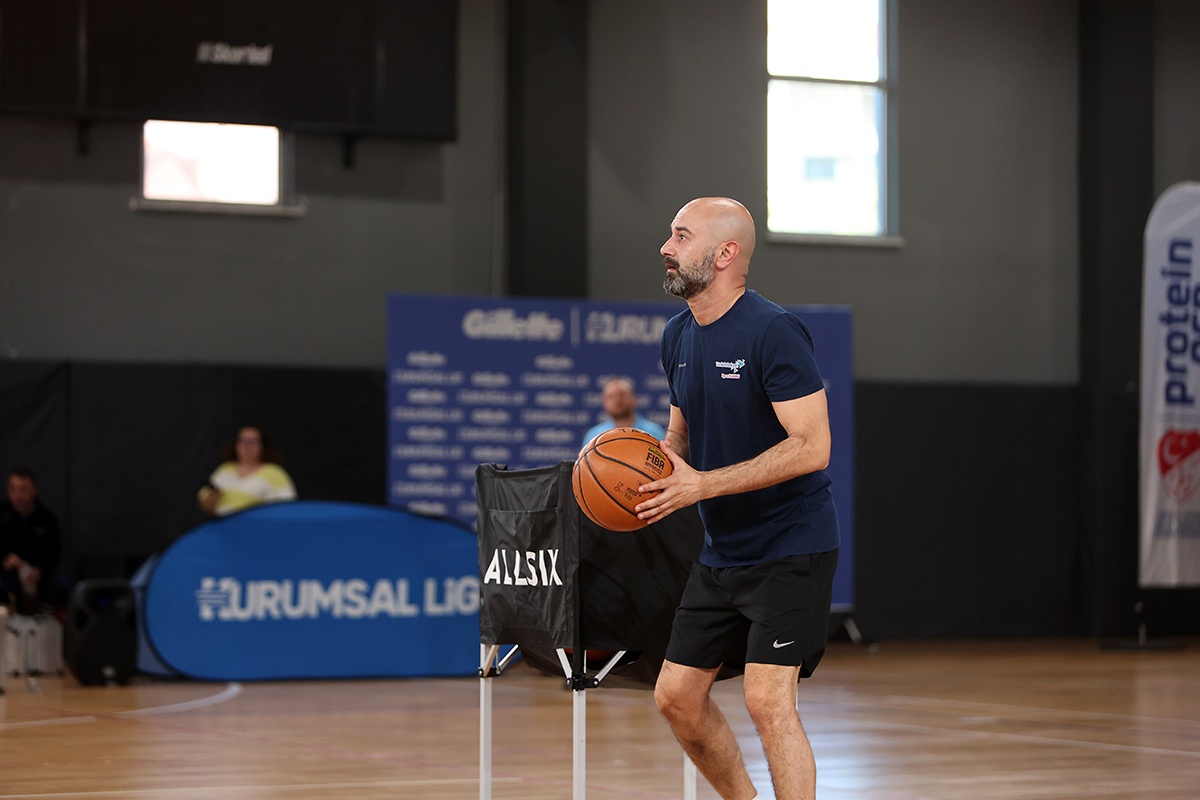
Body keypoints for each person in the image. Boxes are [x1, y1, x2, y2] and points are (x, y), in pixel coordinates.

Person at [634, 197, 840, 800]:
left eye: (682, 236)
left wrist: (702, 484)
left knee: (767, 700)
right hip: (723, 549)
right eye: (670, 235)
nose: (667, 247)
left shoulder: (773, 331)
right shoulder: (677, 335)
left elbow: (813, 447)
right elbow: (680, 437)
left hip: (791, 545)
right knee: (676, 697)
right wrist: (645, 470)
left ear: (725, 254)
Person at [0, 467, 68, 613]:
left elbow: (54, 551)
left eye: (23, 490)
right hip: (9, 572)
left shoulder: (46, 518)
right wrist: (6, 560)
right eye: (12, 489)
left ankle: (46, 618)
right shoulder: (3, 514)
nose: (17, 495)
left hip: (38, 573)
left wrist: (40, 570)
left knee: (59, 584)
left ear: (34, 490)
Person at [198, 425, 297, 517]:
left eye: (251, 442)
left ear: (262, 446)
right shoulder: (224, 470)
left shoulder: (275, 473)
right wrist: (213, 497)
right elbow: (206, 506)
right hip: (224, 526)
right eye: (241, 441)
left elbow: (286, 508)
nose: (245, 446)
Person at [581, 377, 667, 448]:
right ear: (604, 404)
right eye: (611, 397)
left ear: (634, 399)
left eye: (622, 395)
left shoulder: (654, 432)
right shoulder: (594, 436)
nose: (617, 400)